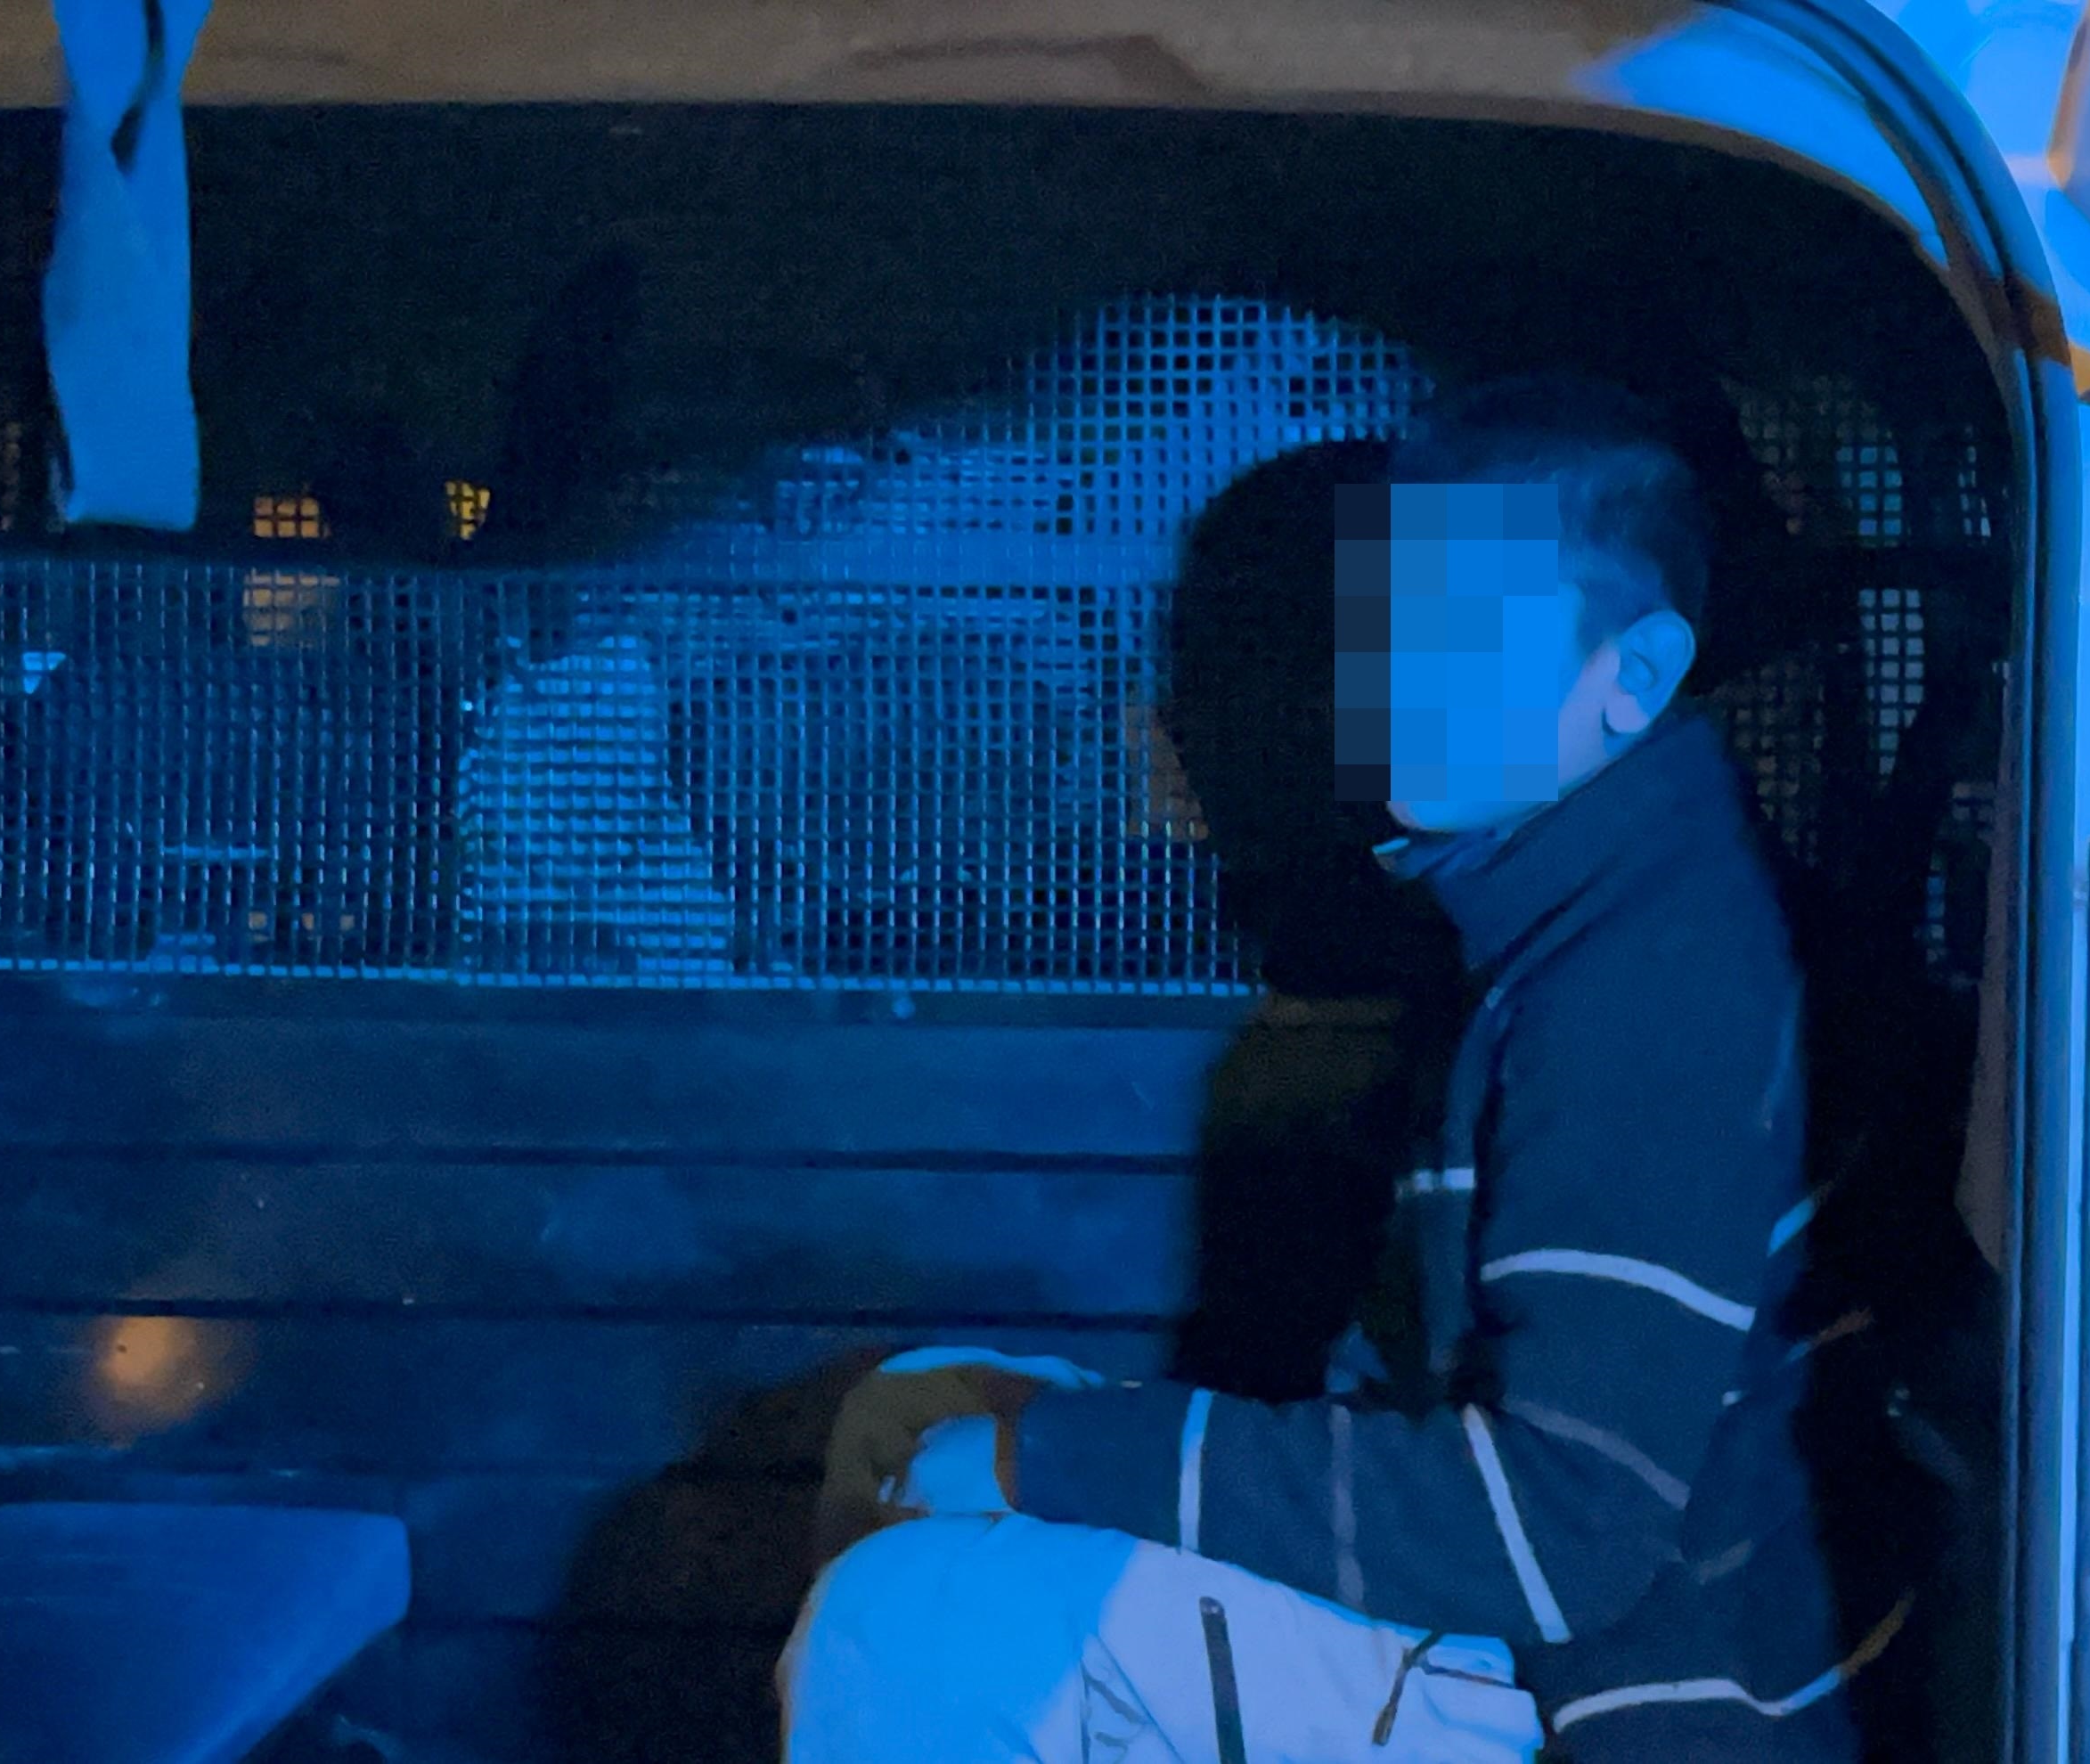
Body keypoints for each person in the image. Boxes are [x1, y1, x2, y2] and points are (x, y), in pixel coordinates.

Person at [781, 377, 1886, 1761]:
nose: (1396, 683)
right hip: (1530, 1624)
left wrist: (1043, 1457)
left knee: (914, 1618)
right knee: (912, 1413)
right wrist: (1041, 1449)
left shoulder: (1654, 982)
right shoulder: (1556, 911)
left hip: (1621, 1692)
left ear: (1637, 675)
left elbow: (1560, 1532)